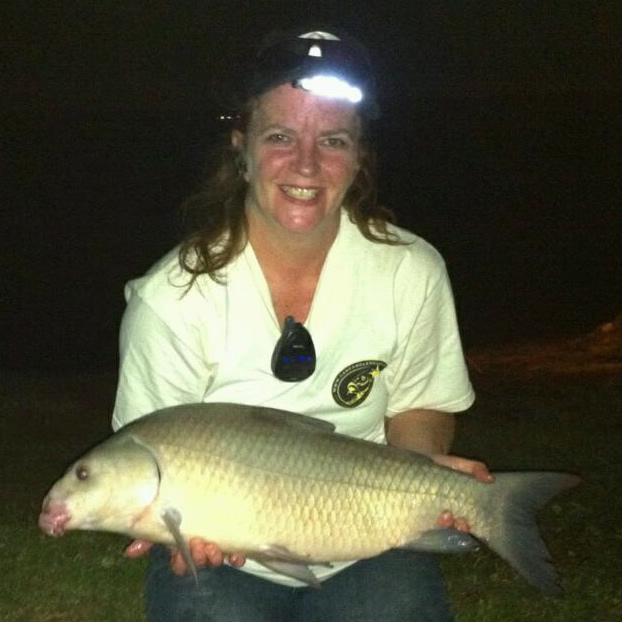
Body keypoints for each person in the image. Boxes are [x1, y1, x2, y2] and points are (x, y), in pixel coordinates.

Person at [112, 26, 491, 622]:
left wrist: (416, 480)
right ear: (242, 147)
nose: (307, 164)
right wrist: (182, 535)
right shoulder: (171, 300)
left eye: (334, 140)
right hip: (228, 556)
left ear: (359, 158)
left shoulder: (411, 271)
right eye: (281, 136)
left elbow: (422, 403)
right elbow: (147, 462)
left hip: (371, 539)